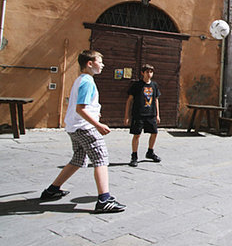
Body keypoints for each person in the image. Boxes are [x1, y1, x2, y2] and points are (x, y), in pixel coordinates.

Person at [40, 50, 126, 213]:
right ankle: (104, 200)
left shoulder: (81, 80)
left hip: (75, 128)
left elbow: (82, 106)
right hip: (85, 128)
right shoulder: (87, 81)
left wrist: (95, 113)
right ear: (90, 63)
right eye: (100, 61)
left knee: (78, 159)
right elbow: (81, 108)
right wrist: (98, 124)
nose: (102, 64)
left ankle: (52, 190)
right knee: (101, 159)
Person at [124, 64, 161, 167]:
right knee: (137, 135)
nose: (149, 74)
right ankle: (134, 156)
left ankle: (150, 152)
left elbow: (156, 100)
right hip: (138, 114)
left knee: (154, 133)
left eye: (151, 72)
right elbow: (129, 100)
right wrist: (126, 116)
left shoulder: (154, 85)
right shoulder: (137, 85)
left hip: (151, 114)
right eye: (147, 72)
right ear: (142, 73)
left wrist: (157, 114)